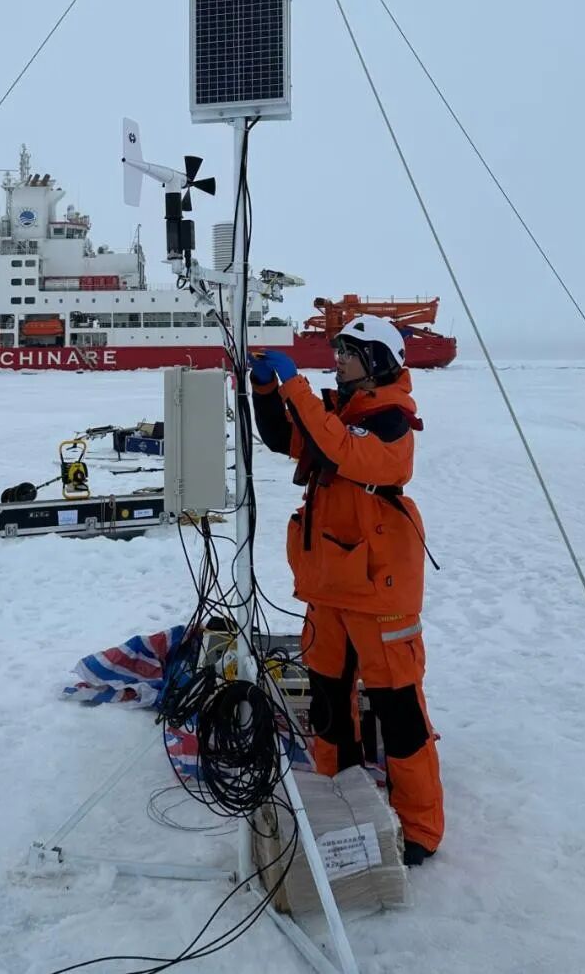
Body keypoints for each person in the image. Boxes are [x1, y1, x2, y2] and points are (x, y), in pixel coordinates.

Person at [249, 316, 444, 865]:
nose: (338, 359)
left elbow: (343, 453)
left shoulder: (390, 422)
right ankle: (342, 798)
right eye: (338, 350)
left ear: (378, 361)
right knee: (330, 705)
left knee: (400, 712)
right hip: (331, 588)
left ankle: (420, 829)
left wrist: (295, 385)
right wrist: (266, 391)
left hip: (379, 593)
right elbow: (285, 438)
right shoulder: (341, 416)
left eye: (350, 352)